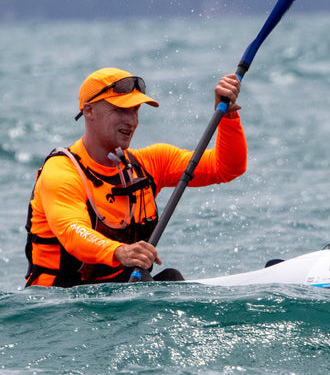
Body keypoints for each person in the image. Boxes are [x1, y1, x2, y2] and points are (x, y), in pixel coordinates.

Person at [25, 67, 245, 287]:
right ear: (89, 111)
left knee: (171, 278)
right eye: (121, 110)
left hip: (117, 300)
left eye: (135, 110)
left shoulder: (151, 163)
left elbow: (226, 167)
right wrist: (120, 251)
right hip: (57, 305)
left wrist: (228, 116)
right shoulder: (61, 172)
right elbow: (73, 231)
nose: (131, 120)